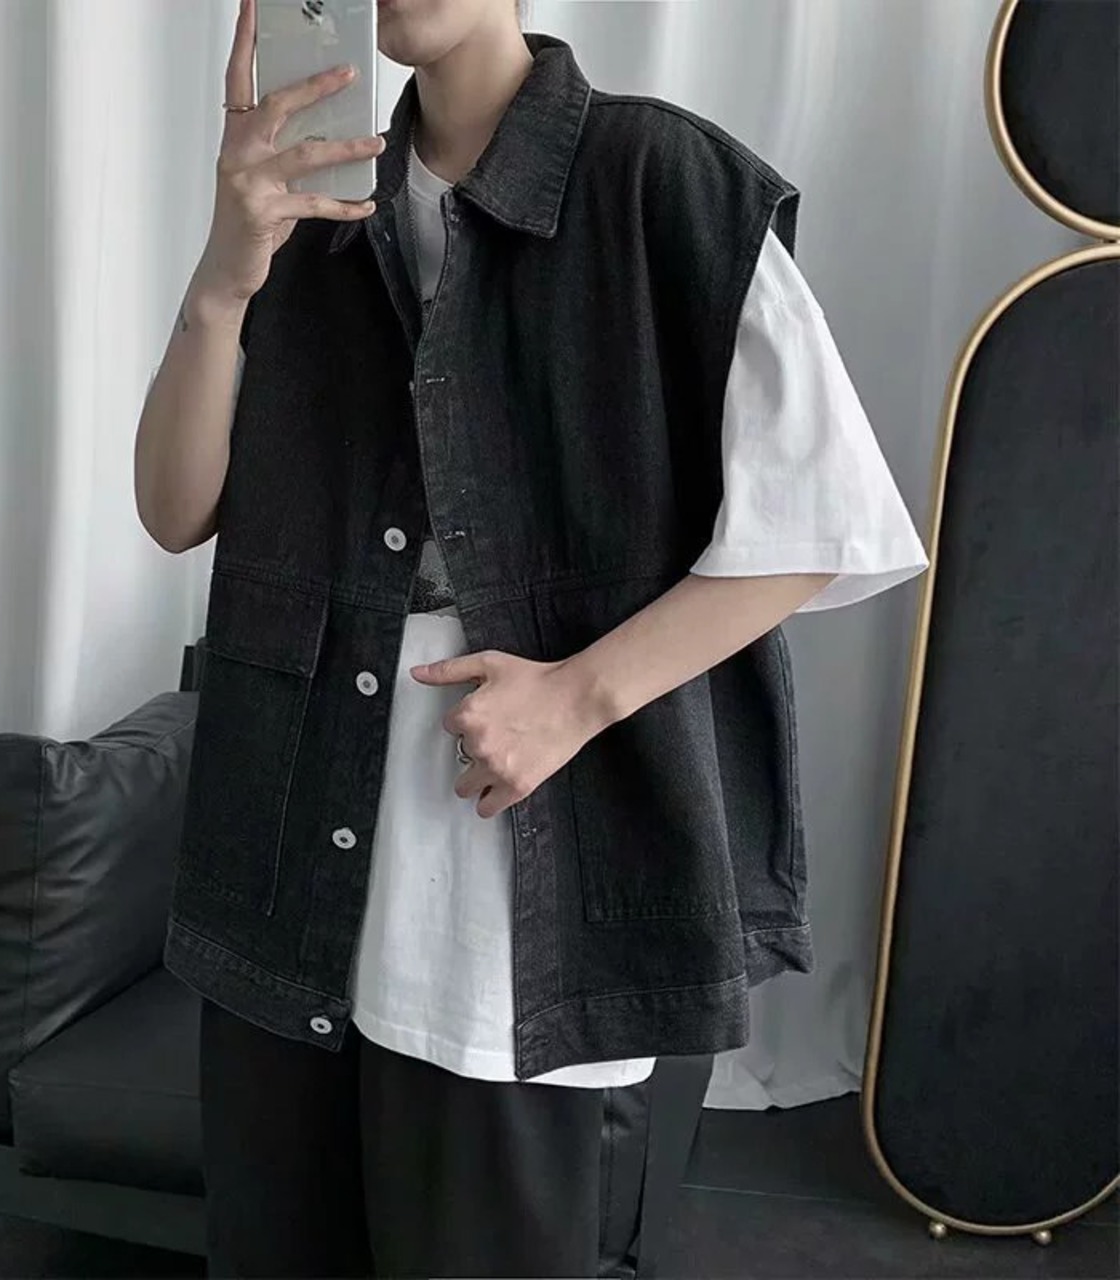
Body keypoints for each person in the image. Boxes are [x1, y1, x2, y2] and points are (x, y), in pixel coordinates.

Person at [134, 0, 929, 1275]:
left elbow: (815, 519)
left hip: (516, 875)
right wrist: (226, 271)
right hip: (283, 856)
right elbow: (175, 508)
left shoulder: (660, 178)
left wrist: (574, 696)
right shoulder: (312, 202)